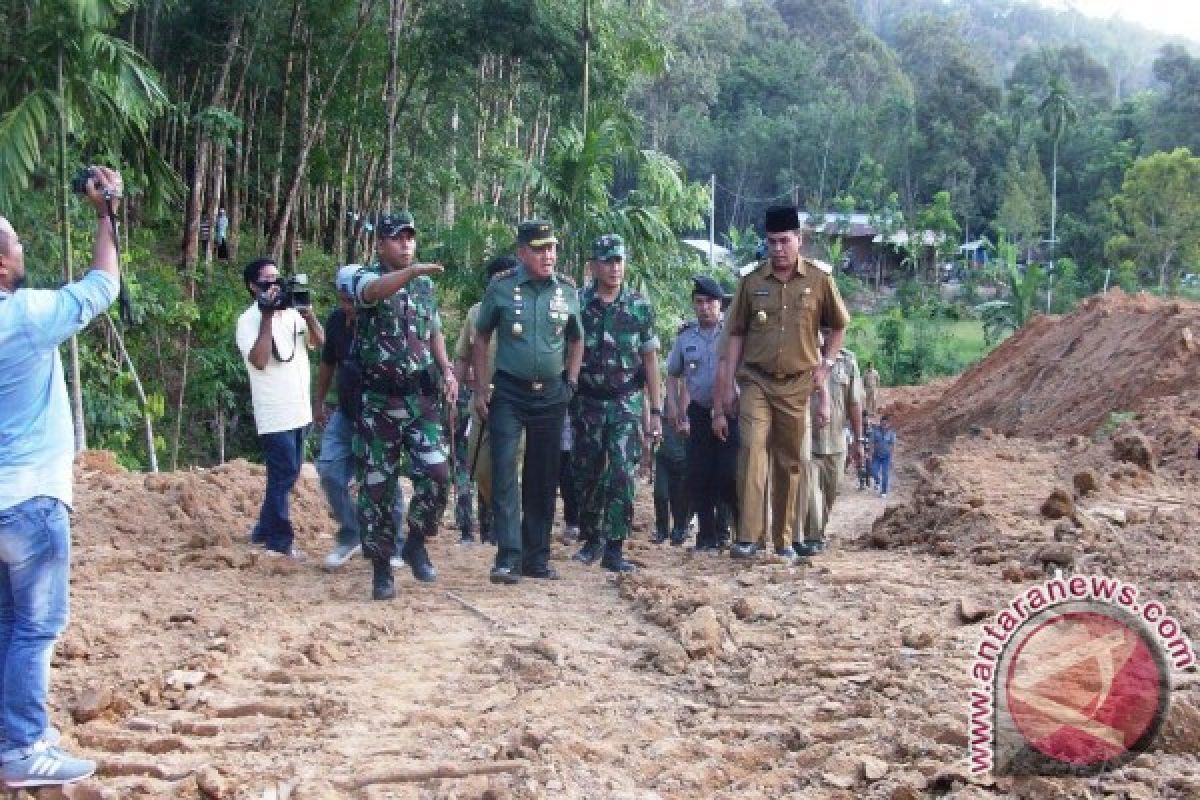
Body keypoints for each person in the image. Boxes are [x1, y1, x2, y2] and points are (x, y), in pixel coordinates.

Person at [0, 165, 123, 787]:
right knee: (36, 627)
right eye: (17, 243)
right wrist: (105, 213)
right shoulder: (23, 317)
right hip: (29, 502)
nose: (24, 251)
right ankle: (23, 748)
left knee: (5, 625)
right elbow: (103, 286)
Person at [713, 205, 850, 561]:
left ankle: (784, 539)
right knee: (752, 451)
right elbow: (736, 335)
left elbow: (839, 325)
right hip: (756, 381)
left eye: (784, 241)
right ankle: (748, 536)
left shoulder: (820, 281)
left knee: (789, 462)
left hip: (797, 384)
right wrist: (727, 386)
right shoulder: (751, 281)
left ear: (798, 241)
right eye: (771, 242)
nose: (777, 249)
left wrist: (826, 367)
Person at [471, 220, 583, 584]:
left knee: (543, 476)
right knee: (504, 471)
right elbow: (481, 336)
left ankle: (537, 557)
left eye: (551, 248)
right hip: (509, 393)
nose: (548, 255)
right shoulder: (501, 288)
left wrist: (571, 380)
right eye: (539, 249)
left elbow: (576, 338)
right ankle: (508, 557)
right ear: (522, 253)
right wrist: (480, 388)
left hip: (551, 394)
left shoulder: (567, 291)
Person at [351, 212, 456, 600]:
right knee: (378, 486)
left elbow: (434, 331)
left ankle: (416, 541)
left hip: (420, 399)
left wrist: (447, 370)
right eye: (397, 238)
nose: (406, 244)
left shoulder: (424, 285)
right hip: (379, 402)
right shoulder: (362, 277)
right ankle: (382, 568)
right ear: (381, 244)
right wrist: (409, 274)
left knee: (439, 473)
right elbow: (373, 293)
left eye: (410, 237)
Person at [571, 234, 662, 573]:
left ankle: (614, 547)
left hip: (625, 402)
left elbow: (651, 359)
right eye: (607, 261)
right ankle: (591, 537)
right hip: (587, 403)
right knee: (587, 473)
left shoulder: (639, 306)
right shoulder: (578, 304)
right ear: (593, 266)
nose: (614, 268)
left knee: (623, 474)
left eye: (619, 261)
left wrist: (655, 410)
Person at [312, 265, 406, 570]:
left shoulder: (382, 320)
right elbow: (328, 364)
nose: (345, 304)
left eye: (349, 298)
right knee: (328, 470)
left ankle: (393, 543)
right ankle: (351, 532)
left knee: (384, 479)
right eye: (341, 298)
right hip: (346, 411)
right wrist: (320, 400)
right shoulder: (337, 322)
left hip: (379, 414)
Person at [237, 257, 325, 557]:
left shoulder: (293, 313)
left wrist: (308, 313)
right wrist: (265, 317)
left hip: (299, 408)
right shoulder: (248, 320)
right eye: (266, 283)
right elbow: (260, 360)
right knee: (284, 473)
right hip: (275, 412)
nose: (274, 287)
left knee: (289, 472)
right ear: (253, 287)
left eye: (278, 280)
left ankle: (264, 529)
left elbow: (319, 341)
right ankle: (279, 540)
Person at [667, 275, 738, 553]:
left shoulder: (733, 335)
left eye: (710, 302)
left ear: (720, 305)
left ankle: (731, 529)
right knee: (699, 475)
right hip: (699, 411)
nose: (704, 307)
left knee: (728, 474)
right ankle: (706, 536)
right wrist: (674, 406)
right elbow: (673, 374)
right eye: (699, 302)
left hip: (731, 412)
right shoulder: (685, 338)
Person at [454, 255, 522, 546]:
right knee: (480, 468)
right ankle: (488, 524)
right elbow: (462, 356)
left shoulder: (522, 313)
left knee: (511, 466)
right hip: (481, 403)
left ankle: (509, 529)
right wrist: (453, 391)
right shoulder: (476, 314)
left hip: (517, 402)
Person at [799, 346, 865, 556]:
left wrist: (858, 440)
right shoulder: (803, 353)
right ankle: (812, 537)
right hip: (807, 439)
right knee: (811, 491)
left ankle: (817, 532)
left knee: (830, 491)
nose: (825, 335)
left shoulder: (847, 360)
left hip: (836, 442)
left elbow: (854, 403)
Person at [652, 385, 690, 545]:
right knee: (661, 494)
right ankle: (662, 529)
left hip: (683, 460)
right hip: (663, 458)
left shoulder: (693, 407)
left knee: (679, 498)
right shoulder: (662, 403)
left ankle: (680, 529)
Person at [871, 414, 897, 498]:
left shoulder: (891, 432)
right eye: (882, 423)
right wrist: (870, 452)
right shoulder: (875, 431)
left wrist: (892, 457)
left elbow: (893, 445)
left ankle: (883, 491)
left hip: (886, 456)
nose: (884, 425)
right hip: (876, 455)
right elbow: (872, 442)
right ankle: (877, 481)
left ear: (888, 423)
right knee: (874, 471)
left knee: (885, 474)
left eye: (885, 424)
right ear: (880, 422)